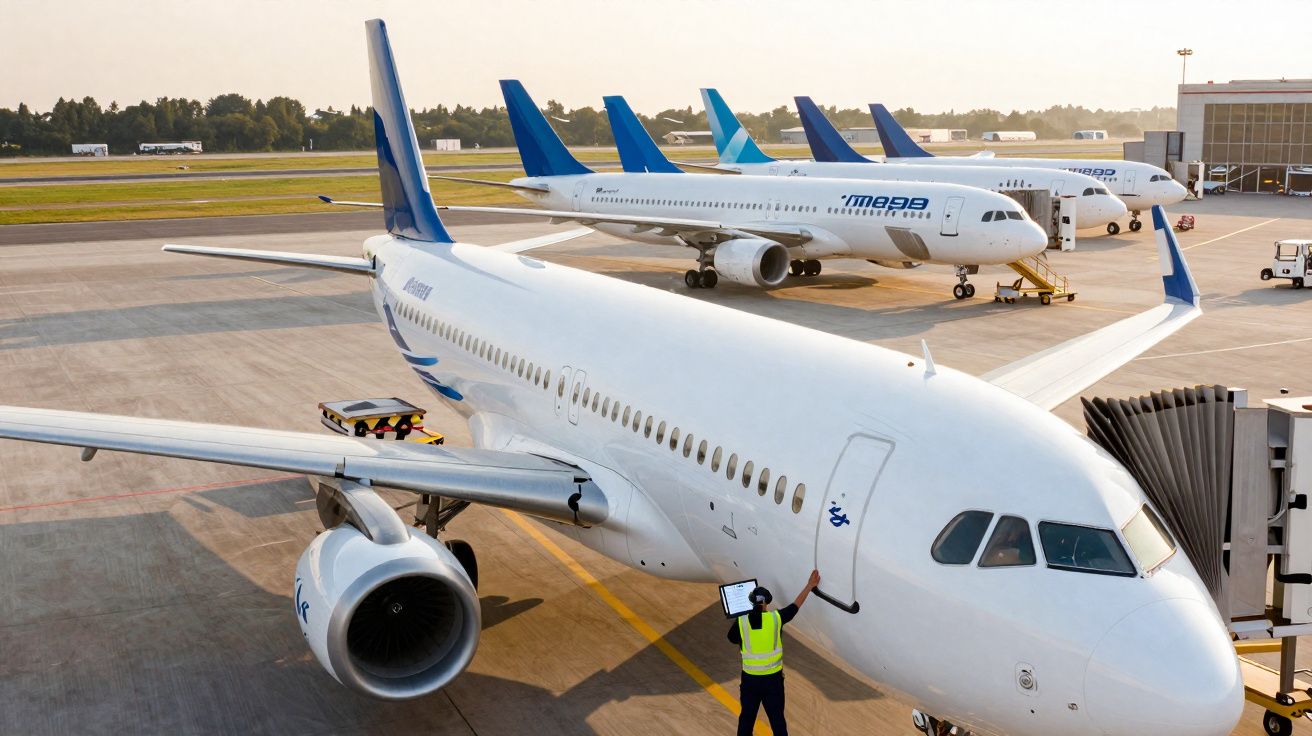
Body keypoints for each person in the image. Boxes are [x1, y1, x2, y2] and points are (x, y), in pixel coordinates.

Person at [727, 569, 820, 736]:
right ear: (766, 603)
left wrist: (740, 620)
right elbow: (795, 607)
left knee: (746, 721)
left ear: (751, 603)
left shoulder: (741, 622)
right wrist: (809, 586)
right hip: (773, 682)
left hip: (750, 681)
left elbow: (732, 638)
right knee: (777, 722)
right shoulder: (776, 618)